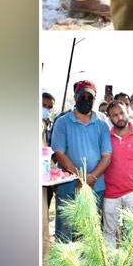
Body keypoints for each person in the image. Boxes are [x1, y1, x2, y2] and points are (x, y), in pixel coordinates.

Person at [50, 80, 113, 242]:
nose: (85, 100)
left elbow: (107, 155)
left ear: (95, 98)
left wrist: (91, 178)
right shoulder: (62, 122)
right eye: (82, 96)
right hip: (68, 186)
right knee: (65, 231)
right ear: (75, 97)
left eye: (89, 97)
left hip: (96, 186)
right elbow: (60, 153)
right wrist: (81, 177)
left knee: (91, 232)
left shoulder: (102, 122)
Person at [102, 101, 133, 247]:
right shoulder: (105, 138)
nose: (119, 117)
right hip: (111, 193)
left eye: (121, 113)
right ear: (110, 118)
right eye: (114, 115)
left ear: (127, 111)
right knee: (109, 232)